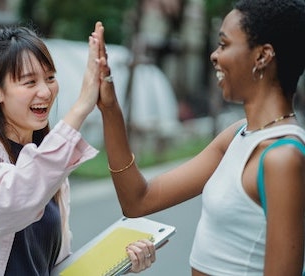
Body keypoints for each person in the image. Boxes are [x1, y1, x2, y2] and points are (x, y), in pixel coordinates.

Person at [95, 0, 305, 275]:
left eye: (225, 44)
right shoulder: (238, 135)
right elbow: (138, 200)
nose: (214, 55)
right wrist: (110, 108)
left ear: (262, 56)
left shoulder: (282, 158)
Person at [0, 24, 155, 275]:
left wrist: (120, 260)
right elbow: (12, 202)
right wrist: (82, 105)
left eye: (50, 78)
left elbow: (51, 268)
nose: (45, 91)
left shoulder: (52, 169)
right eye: (29, 82)